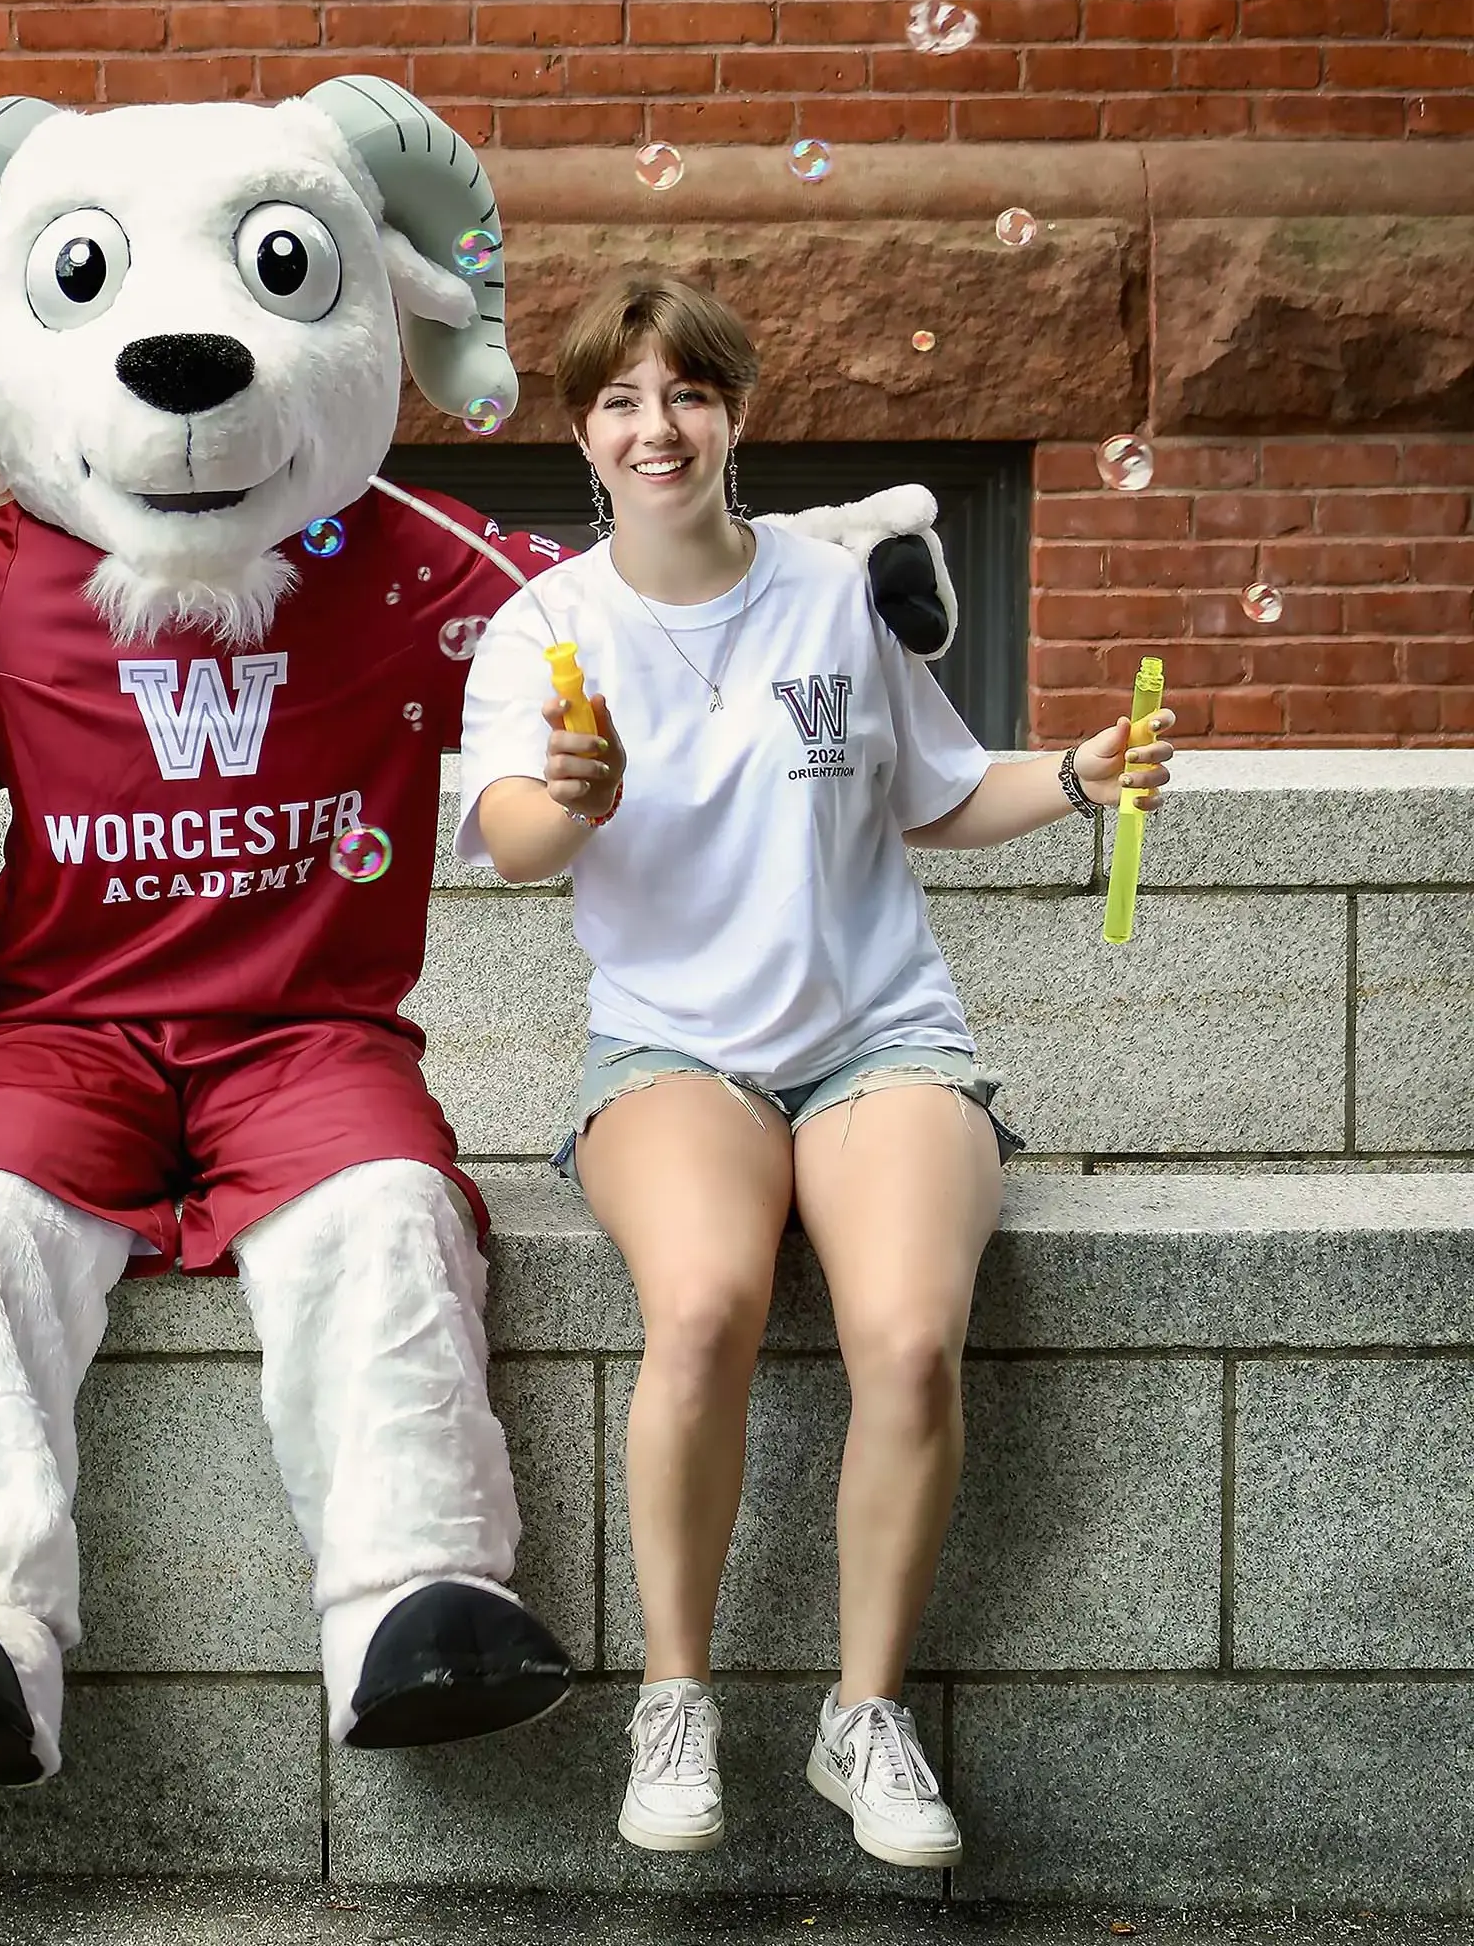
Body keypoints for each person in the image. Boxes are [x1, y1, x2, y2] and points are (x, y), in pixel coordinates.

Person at [457, 279, 1174, 1870]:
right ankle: (677, 1698)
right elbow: (509, 841)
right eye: (626, 401)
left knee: (911, 1339)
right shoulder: (545, 628)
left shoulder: (835, 590)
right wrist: (575, 798)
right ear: (583, 434)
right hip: (673, 1052)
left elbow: (930, 792)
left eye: (690, 395)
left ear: (737, 417)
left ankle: (863, 1717)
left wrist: (1072, 778)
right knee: (706, 1299)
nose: (661, 427)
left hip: (882, 1037)